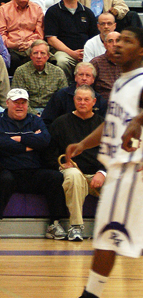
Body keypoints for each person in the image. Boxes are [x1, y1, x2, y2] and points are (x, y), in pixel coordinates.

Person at [50, 27, 143, 298]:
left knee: (111, 236)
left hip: (133, 171)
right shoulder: (121, 83)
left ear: (141, 51)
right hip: (119, 170)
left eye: (126, 41)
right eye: (115, 40)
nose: (117, 45)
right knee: (108, 236)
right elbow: (112, 124)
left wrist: (138, 127)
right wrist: (84, 143)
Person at [0, 88, 68, 239]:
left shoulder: (35, 120)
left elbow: (45, 140)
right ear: (7, 103)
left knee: (55, 177)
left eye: (23, 103)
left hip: (33, 170)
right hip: (8, 170)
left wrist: (17, 139)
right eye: (16, 102)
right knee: (2, 179)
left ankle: (54, 224)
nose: (20, 106)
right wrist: (30, 143)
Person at [46, 84, 105, 242]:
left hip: (97, 174)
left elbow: (112, 153)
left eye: (86, 99)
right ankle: (76, 226)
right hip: (73, 172)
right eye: (79, 99)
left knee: (120, 181)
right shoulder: (60, 123)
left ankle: (110, 229)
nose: (82, 102)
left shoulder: (103, 125)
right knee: (73, 176)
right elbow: (48, 153)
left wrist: (102, 172)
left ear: (94, 102)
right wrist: (61, 165)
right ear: (74, 100)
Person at [44, 0, 99, 80]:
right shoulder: (53, 12)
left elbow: (94, 38)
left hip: (86, 53)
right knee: (61, 61)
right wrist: (72, 53)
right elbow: (51, 39)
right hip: (65, 53)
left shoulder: (87, 13)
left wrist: (86, 53)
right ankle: (66, 88)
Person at [0, 0, 44, 74]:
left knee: (42, 56)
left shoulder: (37, 9)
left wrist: (29, 44)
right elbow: (0, 35)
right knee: (13, 59)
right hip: (10, 47)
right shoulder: (3, 10)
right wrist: (13, 44)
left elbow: (39, 34)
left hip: (31, 46)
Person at [41, 61, 108, 127]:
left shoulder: (100, 101)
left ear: (93, 79)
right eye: (81, 74)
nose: (84, 78)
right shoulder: (61, 96)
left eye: (88, 75)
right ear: (75, 77)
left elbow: (104, 126)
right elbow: (46, 121)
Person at [11, 39, 67, 114]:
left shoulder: (58, 72)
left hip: (51, 113)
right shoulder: (21, 72)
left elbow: (63, 99)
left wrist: (49, 115)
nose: (39, 56)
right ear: (30, 55)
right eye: (35, 53)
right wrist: (35, 114)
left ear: (48, 56)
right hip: (27, 113)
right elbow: (17, 98)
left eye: (42, 53)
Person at [90, 31, 121, 99]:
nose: (114, 44)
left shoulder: (130, 63)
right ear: (105, 45)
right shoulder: (96, 63)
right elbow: (87, 89)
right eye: (110, 41)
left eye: (118, 41)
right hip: (104, 106)